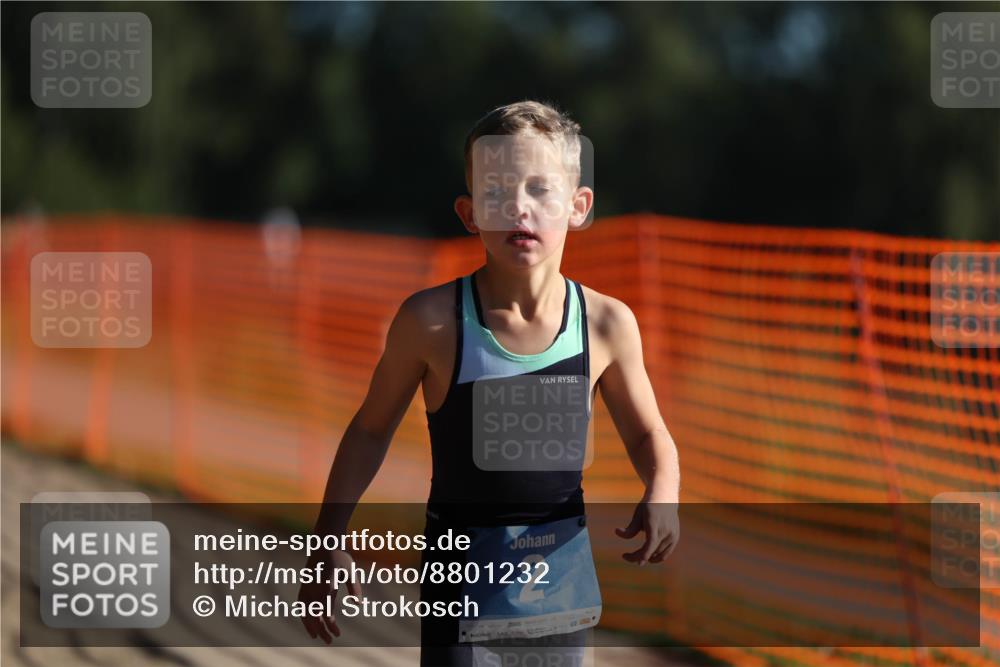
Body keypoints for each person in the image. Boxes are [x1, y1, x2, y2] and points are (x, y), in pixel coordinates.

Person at [298, 100, 681, 666]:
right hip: (460, 592)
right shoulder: (430, 322)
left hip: (560, 587)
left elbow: (650, 433)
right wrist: (327, 541)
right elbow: (370, 430)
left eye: (538, 189)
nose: (518, 208)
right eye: (497, 191)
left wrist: (663, 490)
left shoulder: (605, 324)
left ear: (579, 206)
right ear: (470, 211)